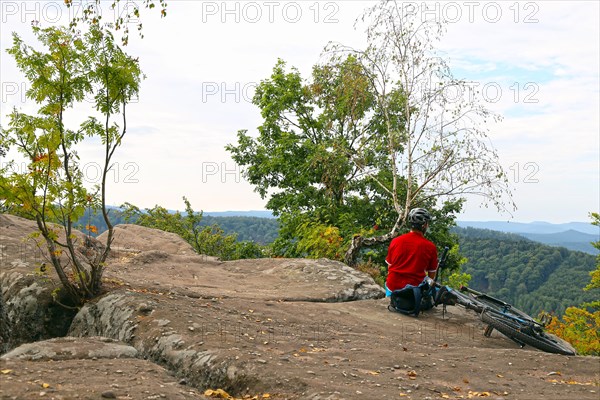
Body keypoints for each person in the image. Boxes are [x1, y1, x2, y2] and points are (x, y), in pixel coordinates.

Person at [385, 208, 438, 297]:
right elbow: (431, 275)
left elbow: (389, 267)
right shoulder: (430, 247)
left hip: (392, 288)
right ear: (424, 225)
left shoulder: (395, 241)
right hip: (414, 292)